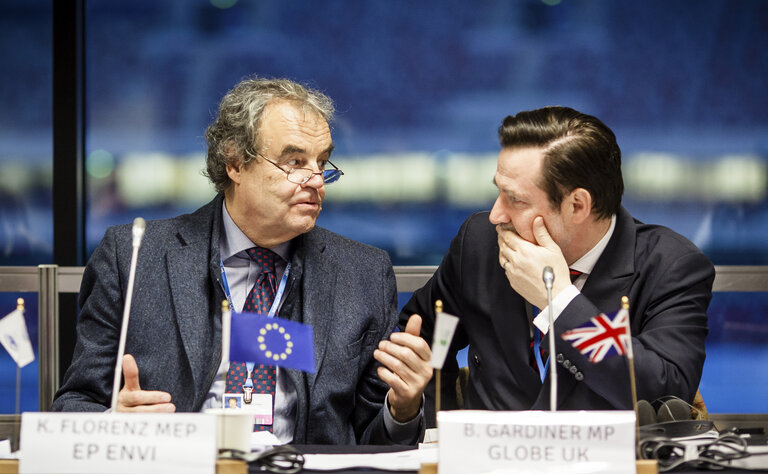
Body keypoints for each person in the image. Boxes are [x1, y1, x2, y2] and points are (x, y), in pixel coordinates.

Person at [52, 77, 432, 445]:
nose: (316, 179)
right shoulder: (134, 256)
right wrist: (111, 425)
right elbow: (73, 406)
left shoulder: (362, 274)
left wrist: (402, 409)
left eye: (323, 162)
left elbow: (374, 441)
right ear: (235, 162)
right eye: (295, 161)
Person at [400, 106, 715, 424]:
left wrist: (561, 303)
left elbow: (662, 389)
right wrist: (439, 426)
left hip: (604, 467)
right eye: (499, 191)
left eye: (516, 199)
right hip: (489, 466)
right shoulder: (480, 244)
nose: (496, 215)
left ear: (577, 205)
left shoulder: (670, 265)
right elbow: (431, 337)